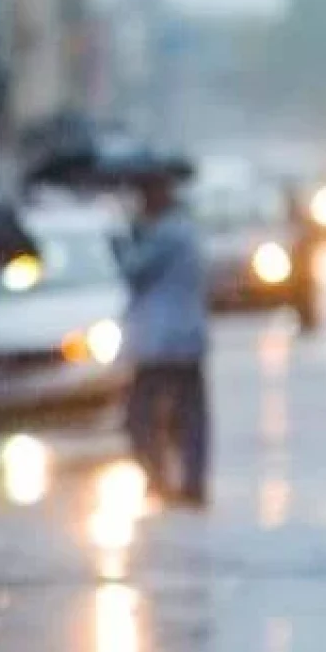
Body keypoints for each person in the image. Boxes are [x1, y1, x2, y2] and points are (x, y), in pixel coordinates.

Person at [111, 156, 211, 508]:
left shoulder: (168, 233)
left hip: (162, 342)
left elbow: (133, 270)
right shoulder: (183, 228)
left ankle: (166, 479)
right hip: (184, 339)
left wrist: (121, 239)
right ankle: (186, 482)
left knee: (142, 415)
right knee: (188, 414)